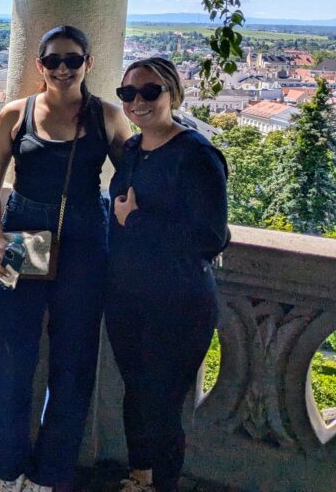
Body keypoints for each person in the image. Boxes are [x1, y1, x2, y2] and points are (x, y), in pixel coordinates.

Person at [0, 25, 131, 492]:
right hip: (24, 235)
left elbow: (132, 179)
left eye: (72, 59)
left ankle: (50, 475)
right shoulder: (15, 114)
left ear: (88, 63)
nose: (62, 69)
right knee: (14, 359)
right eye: (53, 60)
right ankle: (10, 471)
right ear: (39, 65)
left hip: (85, 237)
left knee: (73, 363)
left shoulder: (107, 116)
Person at [106, 58, 229, 492]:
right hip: (128, 297)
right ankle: (139, 478)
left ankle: (163, 485)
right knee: (136, 393)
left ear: (172, 93)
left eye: (150, 91)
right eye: (128, 93)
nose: (137, 101)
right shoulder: (133, 149)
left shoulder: (196, 155)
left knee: (162, 404)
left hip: (178, 302)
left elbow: (210, 237)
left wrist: (136, 221)